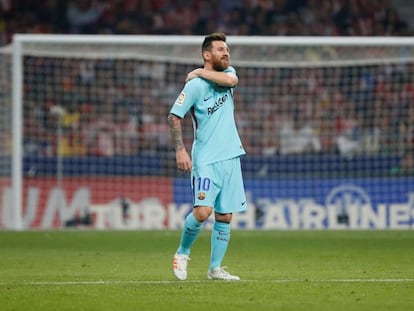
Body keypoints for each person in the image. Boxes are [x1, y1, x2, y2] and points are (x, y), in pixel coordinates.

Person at [168, 32, 247, 281]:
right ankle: (182, 252)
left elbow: (231, 82)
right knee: (203, 212)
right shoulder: (193, 87)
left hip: (231, 155)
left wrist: (200, 71)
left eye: (227, 49)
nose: (226, 53)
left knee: (225, 215)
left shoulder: (228, 75)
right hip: (206, 159)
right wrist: (180, 149)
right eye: (221, 49)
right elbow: (174, 116)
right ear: (207, 54)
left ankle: (215, 268)